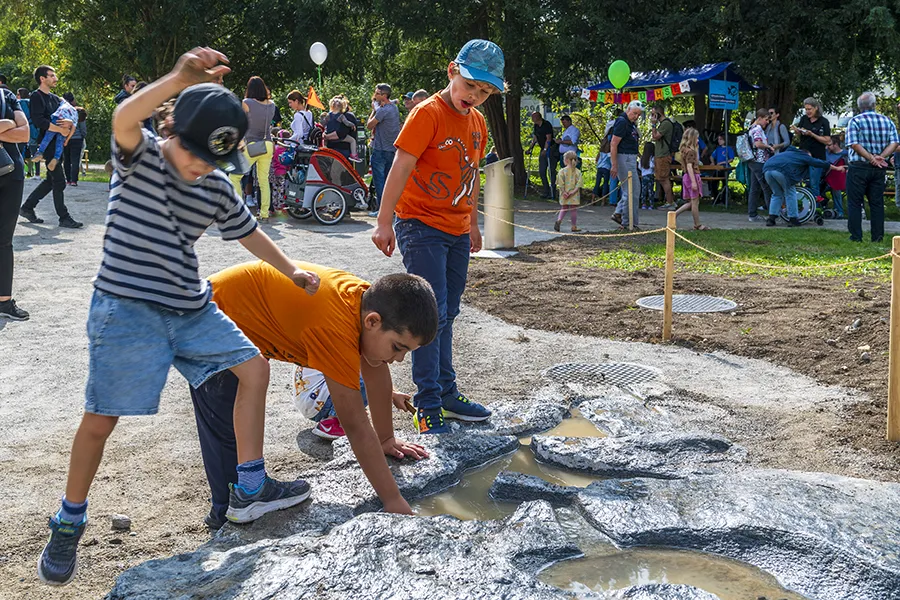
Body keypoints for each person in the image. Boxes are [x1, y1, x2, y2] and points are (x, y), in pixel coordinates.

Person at [36, 47, 321, 587]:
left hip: (190, 309)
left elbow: (248, 231)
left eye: (214, 160)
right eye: (195, 153)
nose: (202, 167)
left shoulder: (214, 185)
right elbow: (123, 118)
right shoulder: (137, 154)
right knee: (101, 420)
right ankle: (69, 518)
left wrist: (289, 270)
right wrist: (177, 78)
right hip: (125, 312)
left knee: (254, 369)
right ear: (171, 129)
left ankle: (251, 485)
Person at [192, 263, 437, 528]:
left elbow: (376, 370)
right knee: (226, 424)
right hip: (203, 323)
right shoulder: (334, 326)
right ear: (372, 321)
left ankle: (242, 497)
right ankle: (226, 513)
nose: (400, 359)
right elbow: (355, 424)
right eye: (398, 348)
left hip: (223, 317)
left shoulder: (365, 304)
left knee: (235, 412)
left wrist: (386, 438)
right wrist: (393, 501)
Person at [371, 38, 502, 434]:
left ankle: (446, 392)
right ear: (451, 71)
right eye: (470, 86)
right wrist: (383, 219)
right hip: (420, 225)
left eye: (484, 91)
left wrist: (475, 223)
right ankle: (427, 403)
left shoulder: (477, 122)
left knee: (449, 314)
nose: (475, 96)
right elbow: (402, 164)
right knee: (432, 314)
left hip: (458, 230)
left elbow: (471, 175)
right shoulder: (427, 113)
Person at [19, 66, 82, 229]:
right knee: (59, 182)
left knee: (50, 181)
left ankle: (27, 208)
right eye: (52, 76)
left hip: (59, 143)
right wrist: (60, 129)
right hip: (47, 145)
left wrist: (70, 125)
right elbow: (40, 121)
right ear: (42, 78)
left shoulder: (56, 98)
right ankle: (64, 217)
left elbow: (69, 114)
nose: (56, 78)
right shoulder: (36, 97)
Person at [291, 366, 412, 440]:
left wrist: (393, 393)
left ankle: (338, 414)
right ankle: (333, 421)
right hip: (319, 400)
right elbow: (370, 372)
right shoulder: (352, 338)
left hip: (312, 400)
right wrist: (391, 393)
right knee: (367, 381)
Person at [845, 91, 899, 243]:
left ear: (859, 106)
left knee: (855, 202)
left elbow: (854, 144)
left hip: (859, 166)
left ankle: (856, 236)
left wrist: (871, 158)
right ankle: (878, 236)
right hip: (879, 168)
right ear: (874, 105)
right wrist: (881, 156)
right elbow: (894, 143)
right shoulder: (887, 121)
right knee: (876, 202)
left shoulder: (855, 121)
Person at [0, 83, 31, 321]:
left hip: (11, 173)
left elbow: (25, 133)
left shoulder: (7, 95)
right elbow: (15, 128)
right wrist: (8, 124)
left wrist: (14, 125)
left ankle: (4, 302)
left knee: (4, 241)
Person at [229, 76, 276, 220]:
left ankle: (238, 210)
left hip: (252, 145)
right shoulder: (272, 104)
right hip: (268, 144)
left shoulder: (246, 102)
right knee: (263, 180)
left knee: (235, 177)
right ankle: (264, 213)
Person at [763, 146, 846, 227]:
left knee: (776, 194)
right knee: (790, 193)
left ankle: (771, 219)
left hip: (767, 169)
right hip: (782, 171)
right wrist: (836, 168)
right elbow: (818, 163)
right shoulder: (803, 155)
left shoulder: (788, 153)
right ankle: (793, 219)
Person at [366, 83, 400, 216]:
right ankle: (391, 210)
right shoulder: (393, 108)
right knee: (388, 181)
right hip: (391, 150)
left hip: (380, 150)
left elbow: (369, 125)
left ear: (384, 96)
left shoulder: (382, 110)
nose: (375, 95)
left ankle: (382, 211)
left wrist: (373, 111)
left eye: (377, 93)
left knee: (380, 182)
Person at [610, 100, 643, 229]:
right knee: (631, 190)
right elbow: (614, 144)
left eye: (638, 115)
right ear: (628, 109)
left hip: (630, 157)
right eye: (634, 113)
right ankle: (628, 222)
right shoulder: (622, 122)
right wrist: (614, 164)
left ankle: (620, 213)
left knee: (632, 190)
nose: (636, 117)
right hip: (624, 157)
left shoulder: (630, 123)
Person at [792, 97, 831, 197]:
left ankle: (815, 207)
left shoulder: (824, 122)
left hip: (816, 156)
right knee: (801, 181)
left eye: (809, 109)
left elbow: (827, 140)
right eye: (806, 109)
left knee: (814, 183)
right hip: (803, 154)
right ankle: (803, 206)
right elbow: (800, 133)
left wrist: (812, 135)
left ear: (816, 108)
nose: (807, 112)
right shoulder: (804, 119)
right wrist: (797, 131)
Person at [30, 97, 78, 173]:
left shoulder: (65, 103)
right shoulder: (75, 114)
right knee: (60, 142)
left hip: (58, 118)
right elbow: (73, 129)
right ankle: (56, 158)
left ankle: (40, 152)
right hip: (66, 124)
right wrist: (67, 140)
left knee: (48, 137)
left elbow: (60, 98)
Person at [673, 128, 708, 230]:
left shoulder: (684, 150)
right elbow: (689, 166)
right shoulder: (691, 152)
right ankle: (697, 224)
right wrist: (694, 182)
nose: (698, 140)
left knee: (692, 202)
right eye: (697, 138)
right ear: (692, 138)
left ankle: (674, 214)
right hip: (692, 176)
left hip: (686, 176)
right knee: (695, 203)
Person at [746, 108, 774, 222]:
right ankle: (773, 213)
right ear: (760, 118)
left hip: (753, 161)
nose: (767, 122)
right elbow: (757, 144)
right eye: (766, 119)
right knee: (766, 187)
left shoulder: (751, 128)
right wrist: (768, 147)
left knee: (755, 188)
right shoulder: (757, 129)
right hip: (759, 161)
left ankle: (752, 214)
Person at [650, 105, 676, 210]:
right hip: (660, 155)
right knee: (661, 178)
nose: (651, 116)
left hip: (663, 155)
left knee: (664, 179)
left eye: (653, 114)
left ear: (658, 114)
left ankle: (670, 202)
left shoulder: (665, 124)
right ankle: (670, 201)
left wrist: (653, 125)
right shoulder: (663, 124)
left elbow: (655, 136)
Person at [527, 111, 554, 199]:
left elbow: (549, 138)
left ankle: (553, 192)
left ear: (538, 117)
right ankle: (546, 191)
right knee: (542, 171)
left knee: (551, 171)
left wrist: (546, 149)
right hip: (543, 148)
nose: (532, 119)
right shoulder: (536, 126)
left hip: (551, 148)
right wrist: (530, 148)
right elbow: (535, 138)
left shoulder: (546, 124)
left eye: (533, 117)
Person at [554, 150, 582, 232]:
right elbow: (579, 184)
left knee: (564, 208)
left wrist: (564, 192)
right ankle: (573, 226)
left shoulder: (562, 171)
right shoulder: (578, 172)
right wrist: (573, 192)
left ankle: (559, 220)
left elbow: (560, 183)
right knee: (573, 209)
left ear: (566, 160)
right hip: (574, 195)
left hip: (564, 194)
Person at [15, 87, 40, 180]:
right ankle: (37, 174)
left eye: (17, 94)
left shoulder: (20, 103)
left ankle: (20, 172)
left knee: (19, 152)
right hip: (34, 129)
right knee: (35, 153)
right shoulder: (32, 103)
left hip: (23, 129)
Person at [824, 135, 847, 219]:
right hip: (825, 178)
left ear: (836, 144)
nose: (827, 147)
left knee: (836, 192)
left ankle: (839, 212)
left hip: (838, 179)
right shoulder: (826, 152)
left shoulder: (845, 154)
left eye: (829, 145)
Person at [64, 107, 87, 186]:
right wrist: (82, 136)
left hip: (66, 139)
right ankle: (74, 180)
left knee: (66, 160)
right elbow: (83, 130)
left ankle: (68, 179)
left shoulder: (67, 116)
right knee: (75, 161)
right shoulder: (81, 118)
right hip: (77, 140)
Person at [708, 132, 735, 198]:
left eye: (721, 139)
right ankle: (715, 197)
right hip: (718, 168)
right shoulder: (718, 149)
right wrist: (712, 162)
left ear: (725, 140)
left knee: (724, 183)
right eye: (718, 139)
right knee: (713, 182)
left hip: (725, 168)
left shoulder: (729, 149)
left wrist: (723, 162)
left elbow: (731, 159)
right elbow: (711, 156)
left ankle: (723, 199)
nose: (719, 141)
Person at [639, 142, 655, 209]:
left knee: (643, 190)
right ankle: (651, 204)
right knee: (650, 190)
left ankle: (643, 204)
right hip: (650, 175)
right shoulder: (652, 158)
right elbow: (652, 166)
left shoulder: (642, 158)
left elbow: (639, 167)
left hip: (644, 175)